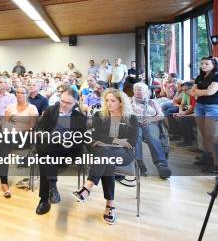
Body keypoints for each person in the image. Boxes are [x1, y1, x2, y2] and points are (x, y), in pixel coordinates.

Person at [72, 88, 139, 225]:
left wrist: (110, 141)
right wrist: (118, 141)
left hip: (124, 153)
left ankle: (88, 186)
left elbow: (131, 142)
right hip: (104, 152)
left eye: (113, 101)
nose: (109, 103)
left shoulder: (131, 118)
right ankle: (110, 205)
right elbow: (96, 136)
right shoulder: (99, 115)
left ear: (121, 102)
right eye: (107, 100)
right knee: (105, 156)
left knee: (104, 153)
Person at [35, 88, 88, 215]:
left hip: (68, 151)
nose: (64, 105)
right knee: (48, 152)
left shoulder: (80, 117)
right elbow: (39, 130)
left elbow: (80, 141)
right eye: (62, 101)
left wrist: (67, 141)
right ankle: (51, 190)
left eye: (68, 103)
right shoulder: (50, 110)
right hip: (50, 147)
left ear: (75, 102)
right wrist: (50, 137)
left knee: (45, 158)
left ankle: (45, 198)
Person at [0, 86, 39, 197]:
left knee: (2, 143)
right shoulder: (10, 107)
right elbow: (5, 124)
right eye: (17, 92)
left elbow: (31, 126)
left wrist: (16, 128)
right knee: (3, 149)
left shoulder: (32, 108)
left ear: (26, 94)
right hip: (10, 137)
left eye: (22, 92)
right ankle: (4, 183)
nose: (19, 94)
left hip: (25, 139)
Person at [130, 82, 172, 178]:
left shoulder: (152, 102)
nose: (137, 92)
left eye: (139, 90)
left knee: (151, 137)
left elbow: (161, 115)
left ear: (145, 92)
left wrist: (150, 119)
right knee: (136, 135)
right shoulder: (128, 102)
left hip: (150, 124)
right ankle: (138, 163)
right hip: (134, 124)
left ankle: (161, 165)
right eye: (135, 90)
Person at [190, 56, 218, 167]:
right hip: (199, 106)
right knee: (204, 135)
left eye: (206, 64)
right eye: (202, 63)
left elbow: (210, 92)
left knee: (211, 136)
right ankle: (208, 157)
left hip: (213, 106)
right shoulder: (199, 76)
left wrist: (198, 91)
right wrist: (201, 91)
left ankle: (216, 162)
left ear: (214, 65)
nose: (203, 65)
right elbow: (192, 93)